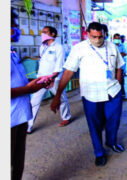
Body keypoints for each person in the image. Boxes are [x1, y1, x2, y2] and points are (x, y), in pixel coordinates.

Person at [50, 22, 125, 166]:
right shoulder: (79, 49)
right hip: (91, 95)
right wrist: (58, 95)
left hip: (112, 91)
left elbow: (119, 66)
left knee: (113, 121)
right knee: (94, 124)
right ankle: (99, 152)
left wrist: (119, 84)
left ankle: (111, 142)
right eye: (94, 37)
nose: (97, 40)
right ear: (87, 35)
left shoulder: (112, 46)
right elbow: (68, 72)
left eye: (100, 37)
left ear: (104, 34)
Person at [11, 8, 53, 180]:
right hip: (9, 119)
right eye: (13, 24)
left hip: (19, 116)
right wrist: (30, 89)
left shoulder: (11, 51)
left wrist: (35, 83)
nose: (17, 28)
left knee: (17, 161)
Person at [27, 26, 72, 134]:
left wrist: (52, 77)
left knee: (61, 98)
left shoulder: (59, 47)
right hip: (41, 78)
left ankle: (66, 117)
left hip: (54, 79)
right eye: (42, 32)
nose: (43, 34)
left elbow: (59, 65)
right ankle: (28, 126)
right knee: (34, 102)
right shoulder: (42, 47)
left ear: (52, 34)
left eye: (45, 32)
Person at [113, 34, 127, 101]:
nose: (118, 40)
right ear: (113, 38)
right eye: (116, 38)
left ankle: (122, 95)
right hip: (112, 68)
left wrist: (116, 55)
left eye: (118, 38)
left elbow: (125, 53)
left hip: (120, 67)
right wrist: (119, 54)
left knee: (121, 82)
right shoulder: (111, 45)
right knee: (113, 82)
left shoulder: (122, 45)